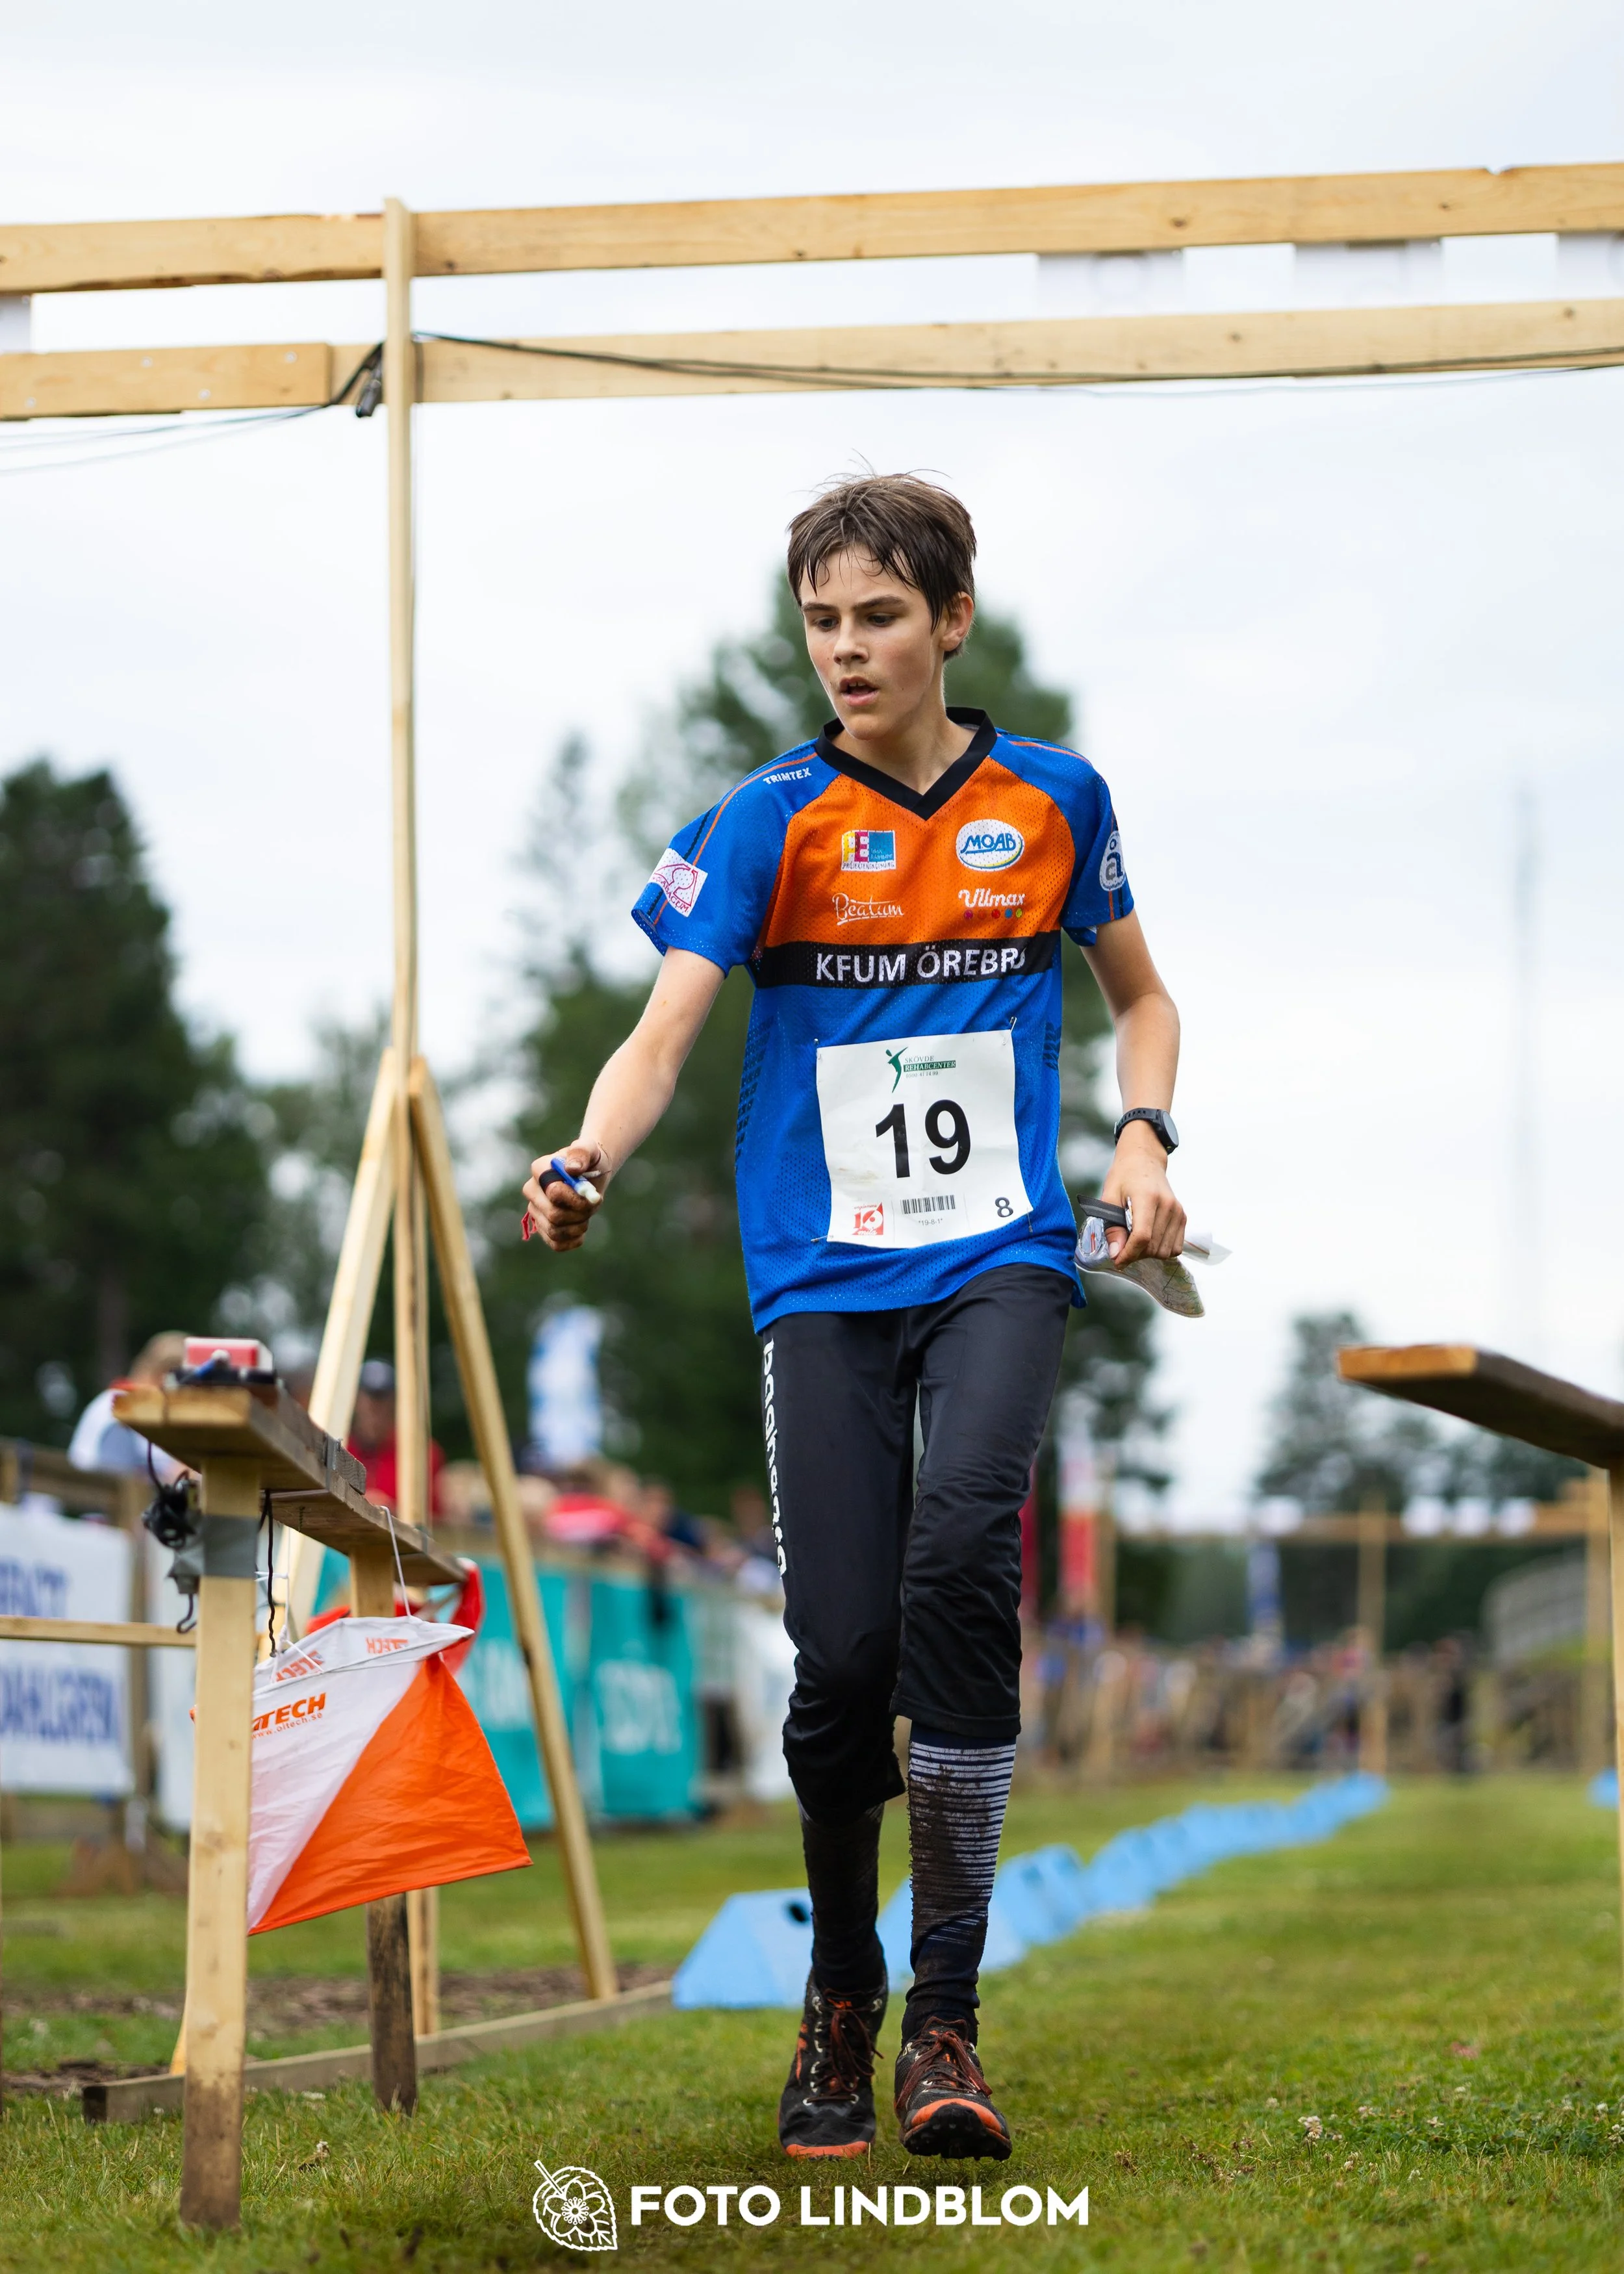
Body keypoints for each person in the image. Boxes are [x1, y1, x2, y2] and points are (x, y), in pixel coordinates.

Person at [522, 473, 1185, 2163]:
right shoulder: (765, 816)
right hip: (819, 1278)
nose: (847, 649)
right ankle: (842, 1982)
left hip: (1000, 1260)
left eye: (878, 616)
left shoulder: (1049, 801)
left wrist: (1139, 1134)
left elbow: (1144, 998)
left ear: (948, 621)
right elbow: (662, 1032)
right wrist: (588, 1151)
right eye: (821, 621)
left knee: (964, 1552)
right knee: (840, 1656)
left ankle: (946, 2018)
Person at [67, 1330, 188, 1482]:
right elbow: (118, 1476)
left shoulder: (128, 1403)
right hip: (98, 1500)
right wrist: (174, 1477)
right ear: (164, 1377)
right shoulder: (121, 1407)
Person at [348, 1357, 446, 1520]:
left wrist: (396, 1514)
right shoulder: (338, 1446)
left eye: (382, 1397)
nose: (375, 1406)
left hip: (398, 1543)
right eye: (369, 1396)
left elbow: (437, 1522)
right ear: (356, 1399)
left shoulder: (423, 1453)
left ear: (395, 1401)